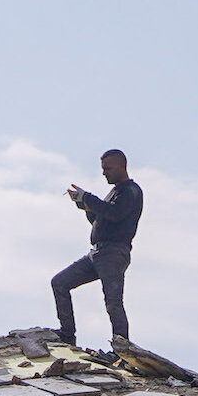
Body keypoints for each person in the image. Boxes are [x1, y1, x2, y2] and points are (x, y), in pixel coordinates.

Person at [50, 148, 143, 348]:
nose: (104, 173)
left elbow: (115, 213)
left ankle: (122, 350)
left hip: (113, 253)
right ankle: (67, 335)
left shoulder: (130, 191)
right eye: (103, 169)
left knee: (113, 301)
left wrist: (89, 198)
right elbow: (101, 218)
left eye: (108, 168)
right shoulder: (116, 192)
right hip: (98, 252)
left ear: (121, 167)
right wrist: (85, 206)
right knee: (59, 283)